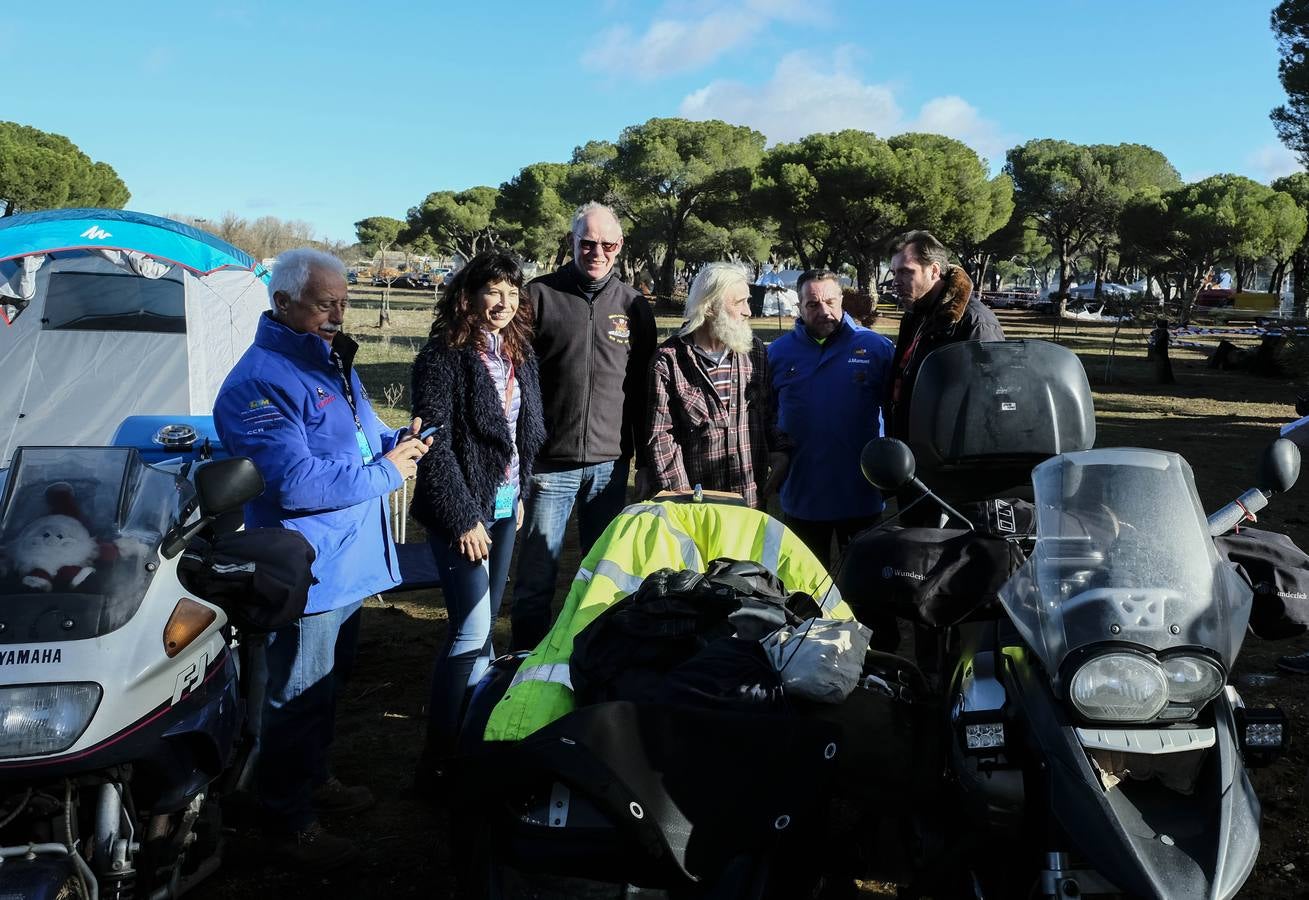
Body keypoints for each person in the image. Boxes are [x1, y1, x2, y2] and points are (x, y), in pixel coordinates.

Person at [213, 247, 429, 868]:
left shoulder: (330, 359)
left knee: (326, 689)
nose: (339, 313)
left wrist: (396, 441)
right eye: (324, 303)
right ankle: (286, 817)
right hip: (307, 568)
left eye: (344, 300)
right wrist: (388, 472)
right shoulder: (259, 382)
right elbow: (296, 483)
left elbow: (358, 438)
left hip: (350, 560)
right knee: (295, 695)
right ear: (282, 304)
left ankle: (315, 779)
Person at [408, 251, 545, 783]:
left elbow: (524, 431)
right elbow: (433, 445)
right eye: (494, 292)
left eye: (513, 294)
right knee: (470, 631)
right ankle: (440, 761)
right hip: (461, 512)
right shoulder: (444, 357)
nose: (505, 304)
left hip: (506, 505)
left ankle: (473, 733)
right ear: (468, 297)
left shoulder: (518, 353)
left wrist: (521, 489)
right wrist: (464, 518)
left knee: (485, 632)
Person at [510, 202, 656, 650]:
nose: (597, 252)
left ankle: (594, 658)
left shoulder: (633, 305)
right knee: (537, 578)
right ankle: (523, 664)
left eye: (606, 244)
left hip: (610, 468)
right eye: (586, 243)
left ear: (620, 246)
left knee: (604, 577)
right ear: (572, 242)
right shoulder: (537, 296)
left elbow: (644, 389)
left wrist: (643, 461)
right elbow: (514, 381)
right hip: (549, 467)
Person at [768, 269, 894, 568]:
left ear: (842, 301)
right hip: (803, 494)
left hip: (861, 493)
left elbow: (897, 412)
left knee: (864, 585)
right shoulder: (777, 353)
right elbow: (764, 415)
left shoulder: (877, 349)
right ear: (799, 306)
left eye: (830, 302)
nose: (824, 311)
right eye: (812, 304)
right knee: (804, 590)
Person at [646, 263, 789, 508]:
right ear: (710, 307)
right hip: (698, 505)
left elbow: (766, 412)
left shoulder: (753, 351)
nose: (748, 311)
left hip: (749, 500)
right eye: (739, 302)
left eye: (748, 301)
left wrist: (779, 451)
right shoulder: (669, 360)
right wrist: (682, 497)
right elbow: (661, 436)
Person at [886, 230, 1005, 440]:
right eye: (894, 273)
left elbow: (989, 399)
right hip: (910, 445)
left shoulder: (975, 321)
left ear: (934, 271)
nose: (896, 281)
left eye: (906, 272)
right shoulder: (915, 313)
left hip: (948, 454)